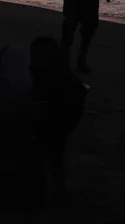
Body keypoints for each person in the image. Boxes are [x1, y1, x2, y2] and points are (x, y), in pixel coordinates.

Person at [28, 36, 87, 198]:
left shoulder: (56, 77)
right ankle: (55, 185)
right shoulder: (58, 72)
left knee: (49, 147)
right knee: (54, 151)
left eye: (36, 56)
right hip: (63, 115)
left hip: (60, 116)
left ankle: (51, 186)